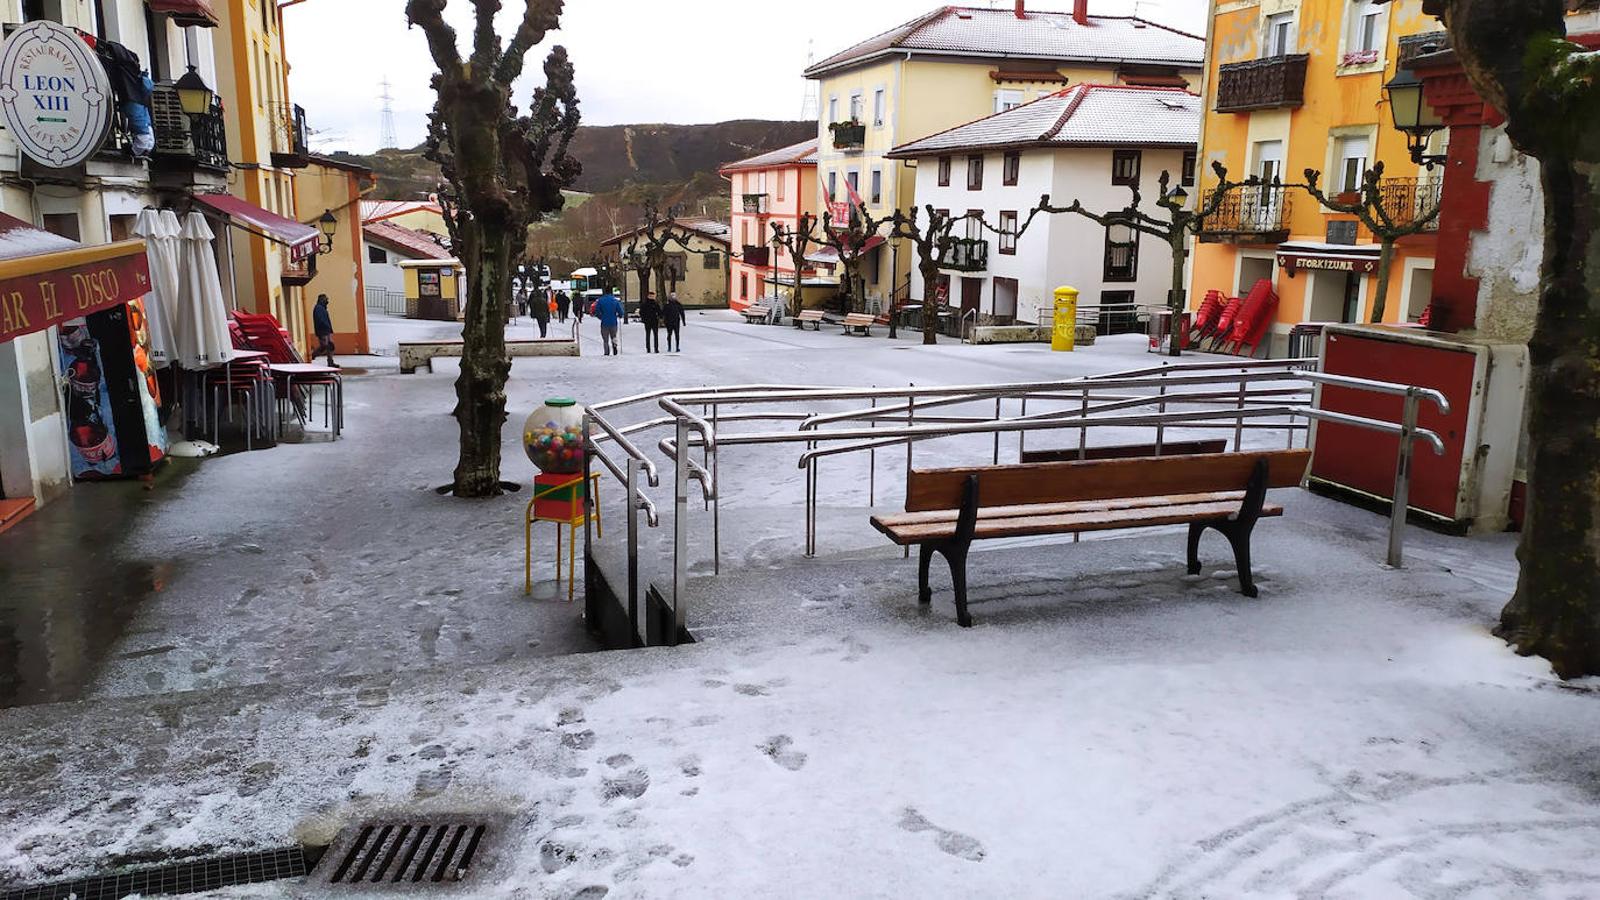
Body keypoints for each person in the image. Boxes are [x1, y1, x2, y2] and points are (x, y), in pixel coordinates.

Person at [594, 289, 625, 356]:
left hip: (604, 322)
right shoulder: (615, 301)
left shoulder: (600, 300)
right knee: (614, 336)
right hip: (613, 322)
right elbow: (620, 311)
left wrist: (601, 317)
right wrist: (619, 315)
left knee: (605, 339)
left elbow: (597, 311)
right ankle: (614, 347)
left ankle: (606, 352)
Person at [312, 294, 337, 367]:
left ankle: (330, 362)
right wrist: (325, 328)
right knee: (324, 346)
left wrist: (330, 329)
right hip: (322, 331)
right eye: (326, 299)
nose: (327, 301)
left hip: (327, 330)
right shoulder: (318, 308)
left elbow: (327, 320)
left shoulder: (323, 308)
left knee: (330, 346)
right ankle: (312, 356)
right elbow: (320, 320)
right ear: (322, 300)